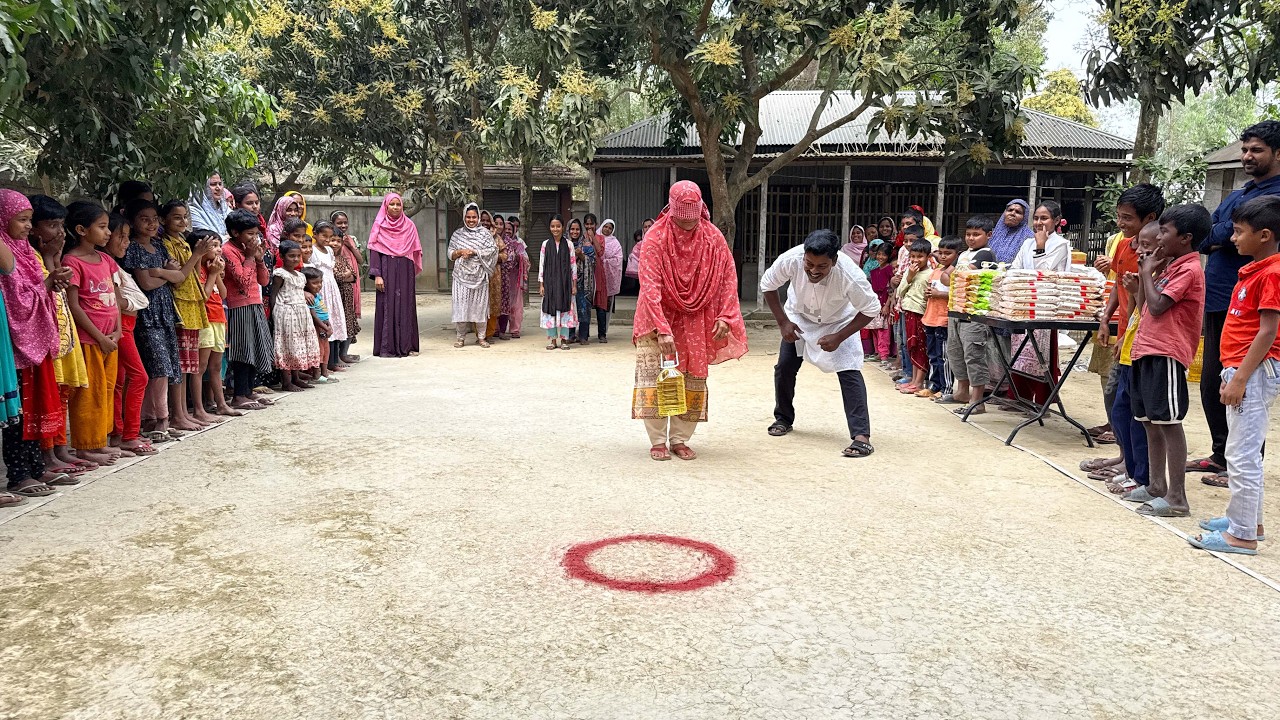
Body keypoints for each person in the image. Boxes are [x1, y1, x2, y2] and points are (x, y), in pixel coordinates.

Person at [632, 181, 748, 461]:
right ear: (671, 211)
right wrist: (662, 328)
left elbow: (728, 277)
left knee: (693, 378)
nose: (687, 226)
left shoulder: (713, 237)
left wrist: (725, 314)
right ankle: (658, 441)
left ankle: (680, 439)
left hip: (698, 317)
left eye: (692, 220)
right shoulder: (655, 237)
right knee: (656, 378)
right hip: (656, 315)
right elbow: (649, 285)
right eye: (682, 221)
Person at [1190, 196, 1280, 554]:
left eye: (1240, 232)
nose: (1232, 239)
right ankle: (1246, 520)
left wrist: (1241, 377)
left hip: (1254, 371)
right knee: (1240, 450)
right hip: (1241, 368)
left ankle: (1241, 536)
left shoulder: (1272, 274)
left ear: (1265, 235)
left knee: (1242, 455)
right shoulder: (1255, 269)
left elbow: (1268, 332)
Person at [1194, 121, 1280, 485]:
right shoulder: (1239, 193)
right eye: (1245, 150)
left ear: (1277, 154)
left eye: (1256, 150)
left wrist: (1220, 235)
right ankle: (1220, 455)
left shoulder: (1274, 199)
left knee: (1245, 389)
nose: (1247, 156)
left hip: (1252, 305)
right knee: (1212, 380)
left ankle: (1241, 465)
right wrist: (1220, 235)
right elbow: (1206, 234)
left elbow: (1219, 235)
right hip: (1220, 298)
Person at [762, 229, 881, 457]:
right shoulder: (792, 259)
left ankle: (861, 437)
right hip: (798, 318)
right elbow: (768, 284)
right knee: (785, 367)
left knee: (850, 373)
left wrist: (840, 336)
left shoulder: (850, 275)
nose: (813, 271)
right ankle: (783, 418)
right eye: (809, 264)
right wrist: (783, 323)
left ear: (834, 261)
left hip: (839, 322)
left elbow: (871, 309)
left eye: (821, 267)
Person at [1128, 204, 1210, 518]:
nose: (1159, 237)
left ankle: (1177, 498)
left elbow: (1159, 306)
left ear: (1186, 238)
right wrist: (1147, 273)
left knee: (1169, 423)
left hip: (1167, 353)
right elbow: (1145, 305)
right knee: (1149, 420)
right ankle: (1155, 485)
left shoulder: (1190, 269)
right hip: (1146, 349)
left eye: (1165, 231)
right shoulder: (1171, 264)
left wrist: (1149, 273)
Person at [1085, 184, 1165, 472]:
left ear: (1149, 218)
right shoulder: (1121, 244)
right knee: (1114, 394)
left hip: (1139, 334)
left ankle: (1132, 463)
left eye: (1127, 218)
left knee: (1128, 398)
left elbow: (1142, 298)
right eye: (1119, 216)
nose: (1121, 224)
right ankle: (1122, 454)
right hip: (1124, 328)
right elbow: (1119, 287)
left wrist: (1129, 328)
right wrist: (1107, 319)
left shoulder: (1156, 254)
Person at [1, 190, 72, 498]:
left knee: (32, 408)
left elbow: (34, 290)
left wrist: (51, 281)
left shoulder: (24, 249)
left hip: (34, 338)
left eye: (30, 220)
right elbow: (17, 298)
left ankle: (36, 467)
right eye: (22, 220)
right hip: (16, 343)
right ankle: (18, 474)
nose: (28, 226)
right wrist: (47, 283)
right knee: (17, 410)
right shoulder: (7, 250)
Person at [29, 195, 90, 472]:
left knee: (62, 393)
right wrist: (50, 258)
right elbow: (40, 291)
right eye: (52, 225)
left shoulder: (47, 255)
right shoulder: (28, 257)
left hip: (62, 333)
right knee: (49, 394)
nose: (58, 232)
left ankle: (60, 449)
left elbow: (57, 288)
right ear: (33, 227)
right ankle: (48, 453)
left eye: (60, 224)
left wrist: (53, 257)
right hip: (44, 337)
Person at [61, 202, 121, 467]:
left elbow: (115, 297)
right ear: (81, 230)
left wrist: (117, 330)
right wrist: (100, 337)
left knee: (107, 389)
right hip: (90, 340)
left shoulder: (105, 259)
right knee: (90, 394)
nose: (108, 233)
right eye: (102, 227)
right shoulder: (72, 261)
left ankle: (101, 440)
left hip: (111, 338)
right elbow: (74, 305)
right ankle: (86, 445)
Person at [1108, 222, 1159, 500]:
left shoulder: (1168, 272)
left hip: (1152, 354)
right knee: (1121, 411)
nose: (1138, 251)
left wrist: (1145, 280)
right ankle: (1131, 469)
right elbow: (1140, 309)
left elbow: (1156, 309)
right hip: (1131, 345)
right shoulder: (1144, 270)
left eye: (1145, 246)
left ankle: (1143, 476)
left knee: (1142, 419)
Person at [160, 200, 219, 431]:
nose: (183, 221)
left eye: (185, 217)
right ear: (165, 220)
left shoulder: (183, 243)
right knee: (181, 365)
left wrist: (195, 255)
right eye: (177, 217)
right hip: (180, 307)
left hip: (194, 306)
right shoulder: (167, 244)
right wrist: (197, 254)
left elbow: (193, 276)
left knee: (189, 364)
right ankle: (179, 413)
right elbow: (180, 278)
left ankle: (185, 412)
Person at [1007, 200, 1072, 407]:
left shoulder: (1061, 244)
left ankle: (1041, 398)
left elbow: (1046, 273)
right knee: (1020, 352)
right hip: (1025, 301)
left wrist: (1041, 245)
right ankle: (1020, 397)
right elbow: (1016, 267)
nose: (1038, 222)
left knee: (1041, 353)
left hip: (1045, 304)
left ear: (1055, 221)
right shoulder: (1027, 242)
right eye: (1036, 218)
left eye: (1044, 218)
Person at [104, 213, 155, 456]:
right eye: (120, 237)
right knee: (139, 377)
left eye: (127, 237)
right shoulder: (106, 263)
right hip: (120, 327)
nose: (126, 242)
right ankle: (129, 435)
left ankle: (118, 432)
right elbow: (116, 300)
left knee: (120, 381)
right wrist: (126, 302)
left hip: (126, 326)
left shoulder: (112, 263)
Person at [942, 217, 998, 410]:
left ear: (988, 235)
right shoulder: (964, 254)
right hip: (956, 308)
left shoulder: (986, 255)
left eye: (976, 234)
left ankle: (977, 399)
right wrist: (957, 275)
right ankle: (962, 392)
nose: (971, 238)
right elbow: (945, 277)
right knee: (955, 351)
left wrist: (956, 275)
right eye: (968, 234)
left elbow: (959, 276)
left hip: (974, 312)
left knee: (973, 353)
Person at [222, 209, 276, 410]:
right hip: (238, 307)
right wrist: (251, 257)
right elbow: (243, 281)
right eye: (250, 234)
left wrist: (260, 259)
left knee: (255, 348)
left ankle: (249, 390)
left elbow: (263, 280)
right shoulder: (228, 251)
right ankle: (238, 395)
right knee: (243, 351)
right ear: (236, 233)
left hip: (255, 304)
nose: (255, 238)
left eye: (256, 234)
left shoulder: (249, 251)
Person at [191, 229, 239, 419]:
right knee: (200, 366)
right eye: (213, 246)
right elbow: (202, 295)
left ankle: (220, 404)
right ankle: (199, 409)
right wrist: (212, 274)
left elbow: (224, 294)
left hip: (219, 318)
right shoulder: (197, 268)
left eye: (219, 245)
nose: (219, 250)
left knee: (217, 365)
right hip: (205, 319)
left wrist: (217, 273)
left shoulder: (213, 268)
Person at [368, 192, 422, 357]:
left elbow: (415, 250)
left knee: (406, 305)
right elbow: (374, 251)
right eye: (392, 204)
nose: (395, 207)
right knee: (387, 305)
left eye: (398, 204)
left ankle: (406, 345)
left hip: (405, 269)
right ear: (386, 206)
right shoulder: (379, 225)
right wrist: (377, 275)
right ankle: (387, 347)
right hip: (386, 269)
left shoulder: (410, 225)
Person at [270, 240, 319, 391]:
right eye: (291, 256)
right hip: (286, 313)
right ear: (282, 256)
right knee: (287, 345)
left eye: (298, 256)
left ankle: (296, 377)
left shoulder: (300, 275)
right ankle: (286, 381)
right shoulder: (280, 274)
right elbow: (273, 295)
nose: (296, 259)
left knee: (299, 345)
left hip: (301, 313)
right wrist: (273, 315)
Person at [448, 202, 497, 349]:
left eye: (474, 217)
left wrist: (475, 252)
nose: (471, 220)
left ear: (478, 218)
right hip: (460, 277)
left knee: (480, 307)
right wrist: (460, 252)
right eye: (468, 217)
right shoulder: (457, 234)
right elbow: (450, 253)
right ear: (464, 217)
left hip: (479, 277)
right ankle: (461, 338)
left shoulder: (485, 234)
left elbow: (493, 251)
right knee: (461, 306)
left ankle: (481, 338)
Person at [921, 236, 963, 398]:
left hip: (944, 320)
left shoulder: (956, 273)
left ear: (957, 255)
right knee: (932, 355)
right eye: (941, 252)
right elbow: (930, 292)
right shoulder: (936, 272)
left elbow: (958, 294)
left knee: (944, 357)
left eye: (948, 253)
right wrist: (929, 294)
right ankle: (934, 386)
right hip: (930, 318)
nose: (943, 256)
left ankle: (946, 388)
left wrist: (939, 294)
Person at [306, 221, 348, 371]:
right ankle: (325, 363)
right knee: (324, 322)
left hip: (332, 289)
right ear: (315, 234)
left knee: (335, 321)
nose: (327, 240)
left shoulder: (330, 251)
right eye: (324, 236)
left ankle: (334, 360)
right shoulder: (313, 251)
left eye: (330, 237)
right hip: (320, 290)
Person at [894, 234, 932, 394]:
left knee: (920, 347)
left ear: (928, 257)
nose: (916, 260)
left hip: (920, 314)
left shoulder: (931, 274)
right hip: (908, 311)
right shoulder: (910, 272)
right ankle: (914, 380)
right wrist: (909, 276)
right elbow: (900, 292)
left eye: (920, 257)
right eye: (913, 257)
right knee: (911, 346)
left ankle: (919, 382)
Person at [539, 215, 577, 350]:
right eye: (553, 226)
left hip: (565, 283)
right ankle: (553, 340)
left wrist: (574, 285)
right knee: (551, 309)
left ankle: (564, 340)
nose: (555, 229)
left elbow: (573, 265)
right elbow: (542, 264)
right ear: (550, 228)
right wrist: (541, 284)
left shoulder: (569, 244)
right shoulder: (545, 244)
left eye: (558, 226)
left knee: (565, 309)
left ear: (562, 227)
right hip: (549, 282)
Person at [331, 210, 362, 363]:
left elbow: (354, 271)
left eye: (345, 223)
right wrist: (345, 276)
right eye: (339, 223)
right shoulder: (329, 253)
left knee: (349, 321)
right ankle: (337, 357)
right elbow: (337, 276)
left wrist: (351, 245)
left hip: (349, 290)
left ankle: (344, 354)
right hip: (336, 292)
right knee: (339, 321)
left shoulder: (350, 242)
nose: (343, 226)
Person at [301, 267, 335, 384]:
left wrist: (329, 325)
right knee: (318, 350)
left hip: (324, 326)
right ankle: (316, 374)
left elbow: (324, 312)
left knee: (326, 349)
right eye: (314, 283)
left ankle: (325, 372)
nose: (318, 285)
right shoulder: (309, 298)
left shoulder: (317, 295)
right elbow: (314, 316)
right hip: (317, 327)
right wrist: (325, 327)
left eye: (320, 282)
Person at [498, 215, 529, 339]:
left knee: (516, 305)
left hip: (515, 278)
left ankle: (515, 329)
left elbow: (527, 260)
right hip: (500, 277)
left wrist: (519, 258)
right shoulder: (497, 240)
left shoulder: (520, 243)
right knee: (499, 303)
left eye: (510, 229)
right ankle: (497, 329)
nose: (508, 231)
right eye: (505, 228)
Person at [593, 219, 623, 342]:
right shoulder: (595, 238)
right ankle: (583, 331)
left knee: (604, 306)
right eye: (605, 226)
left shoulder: (616, 243)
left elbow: (618, 259)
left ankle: (603, 331)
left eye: (610, 228)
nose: (607, 229)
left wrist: (605, 262)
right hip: (594, 274)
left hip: (607, 278)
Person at [867, 243, 896, 363]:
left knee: (883, 330)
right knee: (874, 328)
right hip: (875, 303)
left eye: (884, 255)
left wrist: (887, 305)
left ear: (888, 256)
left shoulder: (890, 269)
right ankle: (878, 352)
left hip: (885, 303)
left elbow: (891, 289)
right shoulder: (874, 271)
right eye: (879, 254)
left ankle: (884, 354)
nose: (880, 257)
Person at [571, 218, 596, 344]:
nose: (574, 232)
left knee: (584, 308)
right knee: (569, 308)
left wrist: (581, 256)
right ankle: (570, 336)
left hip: (584, 284)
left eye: (577, 229)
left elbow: (593, 261)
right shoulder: (564, 243)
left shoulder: (586, 244)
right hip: (568, 283)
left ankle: (583, 336)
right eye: (572, 229)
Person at [484, 214, 508, 341]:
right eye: (482, 220)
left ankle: (489, 334)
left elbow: (505, 255)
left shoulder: (496, 237)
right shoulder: (473, 236)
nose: (485, 223)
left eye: (487, 220)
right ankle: (480, 334)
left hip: (494, 276)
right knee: (478, 304)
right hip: (476, 276)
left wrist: (493, 257)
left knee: (492, 304)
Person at [989, 199, 1035, 264]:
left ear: (1024, 217)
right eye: (1010, 210)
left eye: (1018, 212)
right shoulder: (993, 233)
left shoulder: (1030, 237)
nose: (1012, 213)